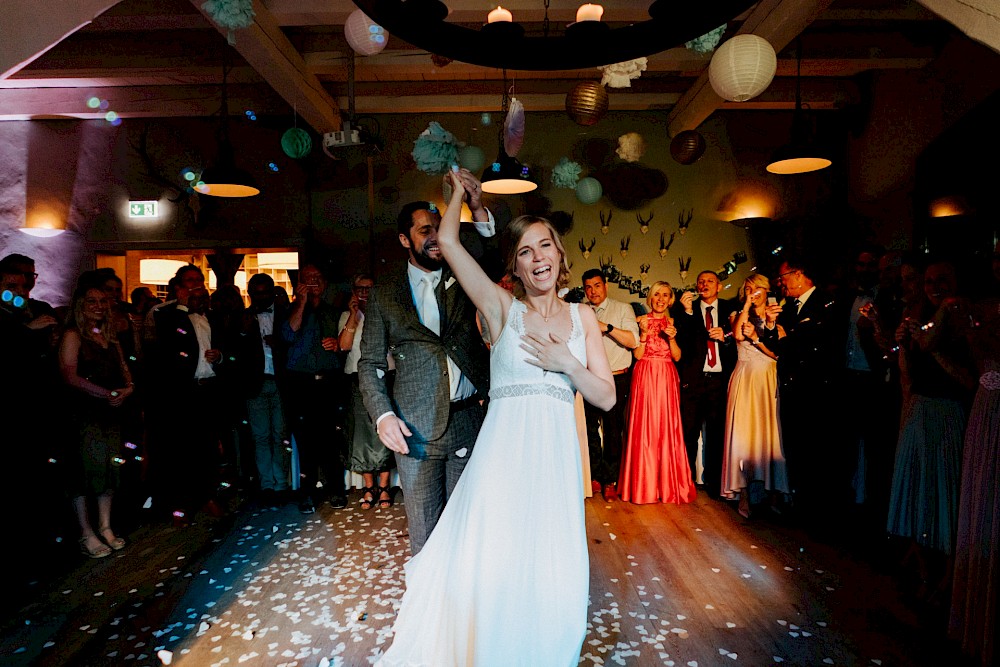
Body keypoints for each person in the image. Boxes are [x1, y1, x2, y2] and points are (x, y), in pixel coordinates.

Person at [375, 169, 615, 666]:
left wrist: (567, 363)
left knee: (550, 561)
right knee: (496, 558)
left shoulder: (583, 318)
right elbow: (446, 239)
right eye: (525, 252)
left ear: (559, 255)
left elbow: (607, 398)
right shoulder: (503, 307)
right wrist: (461, 194)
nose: (537, 258)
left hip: (554, 461)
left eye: (544, 246)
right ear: (518, 267)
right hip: (502, 462)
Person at [359, 168, 497, 555]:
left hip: (469, 420)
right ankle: (430, 608)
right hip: (414, 430)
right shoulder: (386, 294)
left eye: (438, 227)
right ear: (405, 239)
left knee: (468, 526)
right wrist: (384, 416)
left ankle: (466, 609)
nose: (436, 236)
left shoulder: (463, 272)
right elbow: (370, 363)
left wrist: (476, 205)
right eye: (424, 230)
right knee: (425, 531)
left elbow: (493, 256)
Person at [759, 256, 841, 524]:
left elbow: (813, 342)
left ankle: (818, 511)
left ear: (799, 273)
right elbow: (778, 346)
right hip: (791, 385)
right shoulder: (788, 306)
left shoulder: (826, 302)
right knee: (794, 446)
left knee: (815, 449)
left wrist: (787, 337)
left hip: (816, 388)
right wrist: (772, 327)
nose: (781, 283)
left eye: (784, 277)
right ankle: (800, 505)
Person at [58, 276, 135, 558]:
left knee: (109, 469)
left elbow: (125, 368)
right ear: (80, 304)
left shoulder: (109, 336)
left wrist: (127, 389)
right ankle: (85, 532)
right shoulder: (73, 335)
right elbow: (69, 374)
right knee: (84, 472)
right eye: (92, 301)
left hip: (110, 411)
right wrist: (105, 393)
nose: (99, 306)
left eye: (103, 301)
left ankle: (105, 526)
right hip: (83, 413)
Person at [280, 263, 348, 514]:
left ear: (325, 282)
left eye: (318, 277)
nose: (314, 281)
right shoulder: (291, 310)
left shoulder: (333, 311)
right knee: (305, 441)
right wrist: (301, 301)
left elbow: (346, 343)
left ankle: (336, 489)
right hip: (301, 384)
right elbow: (289, 334)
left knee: (331, 439)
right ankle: (307, 492)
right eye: (308, 278)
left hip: (329, 381)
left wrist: (337, 345)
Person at [618, 281, 694, 505]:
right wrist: (642, 334)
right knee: (644, 427)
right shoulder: (640, 320)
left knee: (667, 428)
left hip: (667, 376)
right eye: (656, 295)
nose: (660, 299)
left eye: (665, 295)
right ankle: (645, 486)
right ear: (650, 298)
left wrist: (671, 338)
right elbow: (638, 355)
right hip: (644, 375)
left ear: (671, 299)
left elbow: (678, 357)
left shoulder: (674, 322)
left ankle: (667, 485)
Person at [721, 273, 788, 518]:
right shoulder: (738, 316)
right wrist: (747, 306)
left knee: (770, 437)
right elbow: (738, 335)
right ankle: (745, 495)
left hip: (768, 378)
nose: (754, 291)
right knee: (745, 438)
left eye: (758, 287)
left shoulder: (776, 315)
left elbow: (779, 353)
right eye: (749, 288)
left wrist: (758, 338)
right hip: (746, 378)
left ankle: (773, 495)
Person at [674, 270, 737, 497]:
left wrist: (726, 336)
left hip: (719, 380)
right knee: (689, 433)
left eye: (710, 281)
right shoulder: (685, 311)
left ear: (719, 286)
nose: (704, 284)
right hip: (695, 380)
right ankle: (686, 481)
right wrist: (689, 312)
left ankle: (713, 483)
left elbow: (739, 337)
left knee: (716, 433)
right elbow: (684, 343)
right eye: (700, 281)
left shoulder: (730, 309)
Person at [581, 269, 639, 501]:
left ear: (605, 286)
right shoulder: (580, 311)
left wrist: (607, 327)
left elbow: (633, 341)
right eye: (588, 287)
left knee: (613, 430)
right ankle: (595, 476)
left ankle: (610, 480)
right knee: (589, 430)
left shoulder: (623, 309)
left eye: (597, 285)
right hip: (588, 379)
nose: (593, 291)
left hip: (617, 377)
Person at [339, 272, 395, 510]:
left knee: (382, 430)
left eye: (369, 288)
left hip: (386, 377)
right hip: (357, 378)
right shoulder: (346, 315)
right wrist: (354, 315)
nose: (364, 293)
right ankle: (368, 487)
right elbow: (343, 346)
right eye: (360, 288)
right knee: (362, 434)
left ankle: (384, 487)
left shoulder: (387, 312)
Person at [239, 273, 290, 509]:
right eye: (256, 292)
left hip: (280, 381)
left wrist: (279, 344)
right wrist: (243, 332)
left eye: (265, 292)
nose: (261, 296)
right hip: (254, 384)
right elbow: (234, 350)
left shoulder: (285, 313)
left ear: (272, 291)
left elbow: (294, 344)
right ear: (250, 294)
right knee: (261, 437)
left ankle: (281, 485)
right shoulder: (244, 317)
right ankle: (267, 486)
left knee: (279, 435)